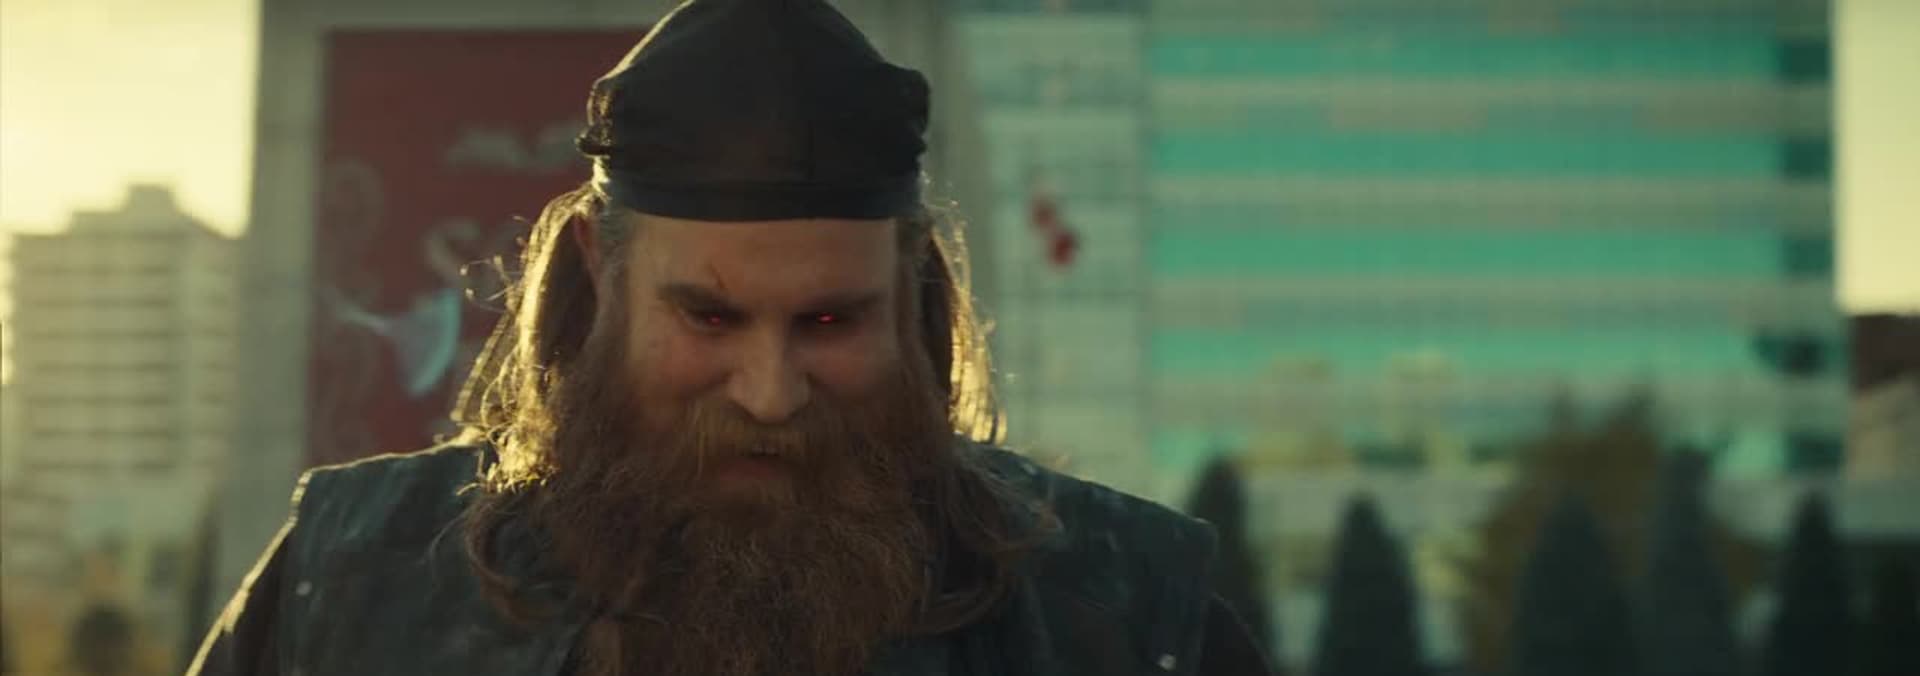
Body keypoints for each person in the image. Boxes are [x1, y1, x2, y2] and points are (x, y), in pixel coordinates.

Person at [188, 1, 1274, 674]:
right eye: (709, 316)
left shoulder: (1120, 617)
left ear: (913, 295)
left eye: (830, 321)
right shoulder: (352, 580)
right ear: (601, 275)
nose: (769, 391)